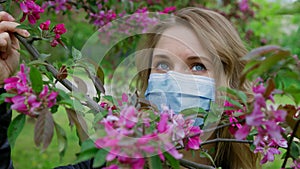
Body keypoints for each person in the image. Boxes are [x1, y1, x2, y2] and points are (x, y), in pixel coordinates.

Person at [0, 7, 260, 169]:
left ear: (231, 82)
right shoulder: (111, 163)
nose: (173, 79)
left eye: (198, 66)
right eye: (162, 65)